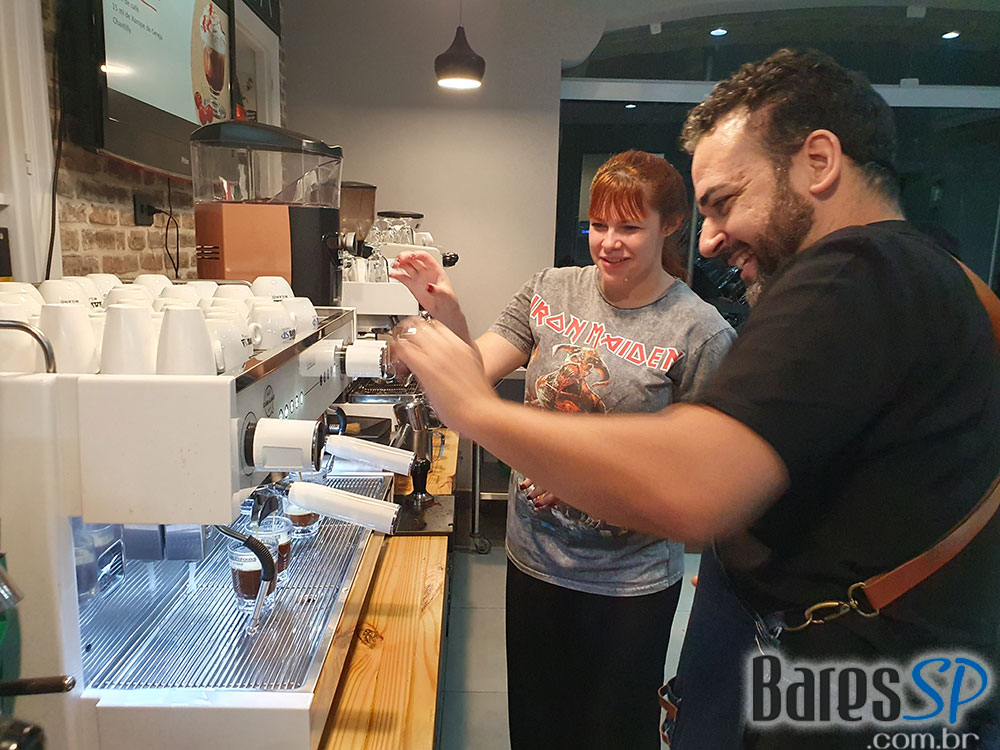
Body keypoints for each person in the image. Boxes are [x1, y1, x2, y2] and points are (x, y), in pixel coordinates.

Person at [393, 49, 1000, 749]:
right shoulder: (931, 274)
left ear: (819, 162)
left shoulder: (856, 273)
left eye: (726, 203)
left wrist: (480, 414)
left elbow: (699, 485)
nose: (710, 241)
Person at [389, 150, 735, 750]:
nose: (609, 243)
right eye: (599, 225)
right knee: (536, 725)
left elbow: (700, 478)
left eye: (630, 227)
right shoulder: (550, 289)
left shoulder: (700, 332)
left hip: (628, 583)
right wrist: (444, 308)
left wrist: (583, 478)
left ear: (671, 225)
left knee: (611, 733)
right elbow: (474, 376)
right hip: (534, 558)